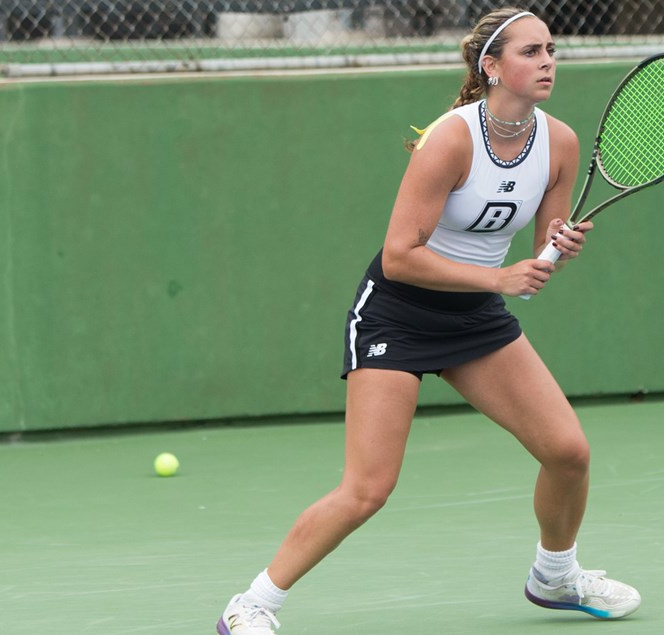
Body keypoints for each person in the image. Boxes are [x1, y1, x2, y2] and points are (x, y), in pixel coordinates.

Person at [216, 7, 640, 633]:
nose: (548, 60)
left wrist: (555, 251)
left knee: (568, 453)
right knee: (368, 488)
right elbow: (401, 255)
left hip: (474, 318)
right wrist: (498, 279)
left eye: (551, 48)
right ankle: (251, 604)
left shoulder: (562, 143)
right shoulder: (450, 138)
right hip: (397, 313)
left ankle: (555, 577)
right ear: (490, 66)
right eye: (530, 51)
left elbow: (534, 255)